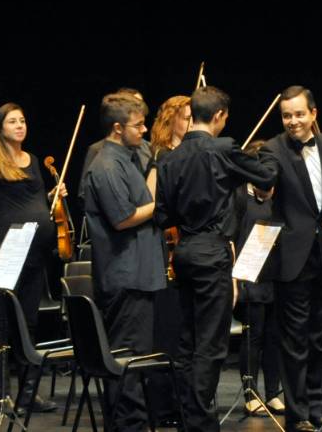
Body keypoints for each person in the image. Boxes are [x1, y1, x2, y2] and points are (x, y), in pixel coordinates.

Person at [155, 86, 275, 432]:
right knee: (211, 344)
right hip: (212, 252)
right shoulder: (224, 148)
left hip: (184, 252)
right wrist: (267, 155)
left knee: (188, 342)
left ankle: (188, 418)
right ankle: (201, 424)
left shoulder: (169, 157)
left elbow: (162, 216)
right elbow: (266, 177)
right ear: (220, 115)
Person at [259, 85, 322, 432]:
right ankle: (298, 415)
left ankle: (317, 409)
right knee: (294, 340)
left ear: (313, 113)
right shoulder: (272, 149)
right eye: (287, 115)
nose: (293, 121)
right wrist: (262, 187)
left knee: (318, 337)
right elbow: (266, 180)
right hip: (293, 257)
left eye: (299, 114)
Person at [82, 92, 166, 431]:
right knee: (128, 360)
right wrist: (161, 206)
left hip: (137, 272)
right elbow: (123, 218)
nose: (144, 130)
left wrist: (157, 170)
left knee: (137, 358)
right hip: (125, 275)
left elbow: (141, 198)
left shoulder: (128, 158)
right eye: (138, 125)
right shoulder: (105, 165)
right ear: (117, 128)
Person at [0, 103, 60, 414]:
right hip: (7, 254)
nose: (20, 125)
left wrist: (51, 198)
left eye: (22, 120)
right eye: (12, 121)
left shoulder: (32, 160)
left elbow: (31, 202)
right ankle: (2, 396)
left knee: (29, 324)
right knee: (1, 324)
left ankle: (28, 394)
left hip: (35, 253)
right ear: (0, 128)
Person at [147, 94, 191, 426]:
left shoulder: (193, 153)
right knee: (168, 332)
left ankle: (184, 403)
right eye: (186, 117)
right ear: (170, 120)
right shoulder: (161, 157)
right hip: (167, 253)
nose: (191, 123)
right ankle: (164, 406)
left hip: (190, 251)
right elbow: (155, 206)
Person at [232, 139, 283, 417]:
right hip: (249, 276)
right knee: (254, 335)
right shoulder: (239, 196)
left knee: (275, 336)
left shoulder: (278, 198)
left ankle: (273, 393)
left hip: (275, 274)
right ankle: (251, 395)